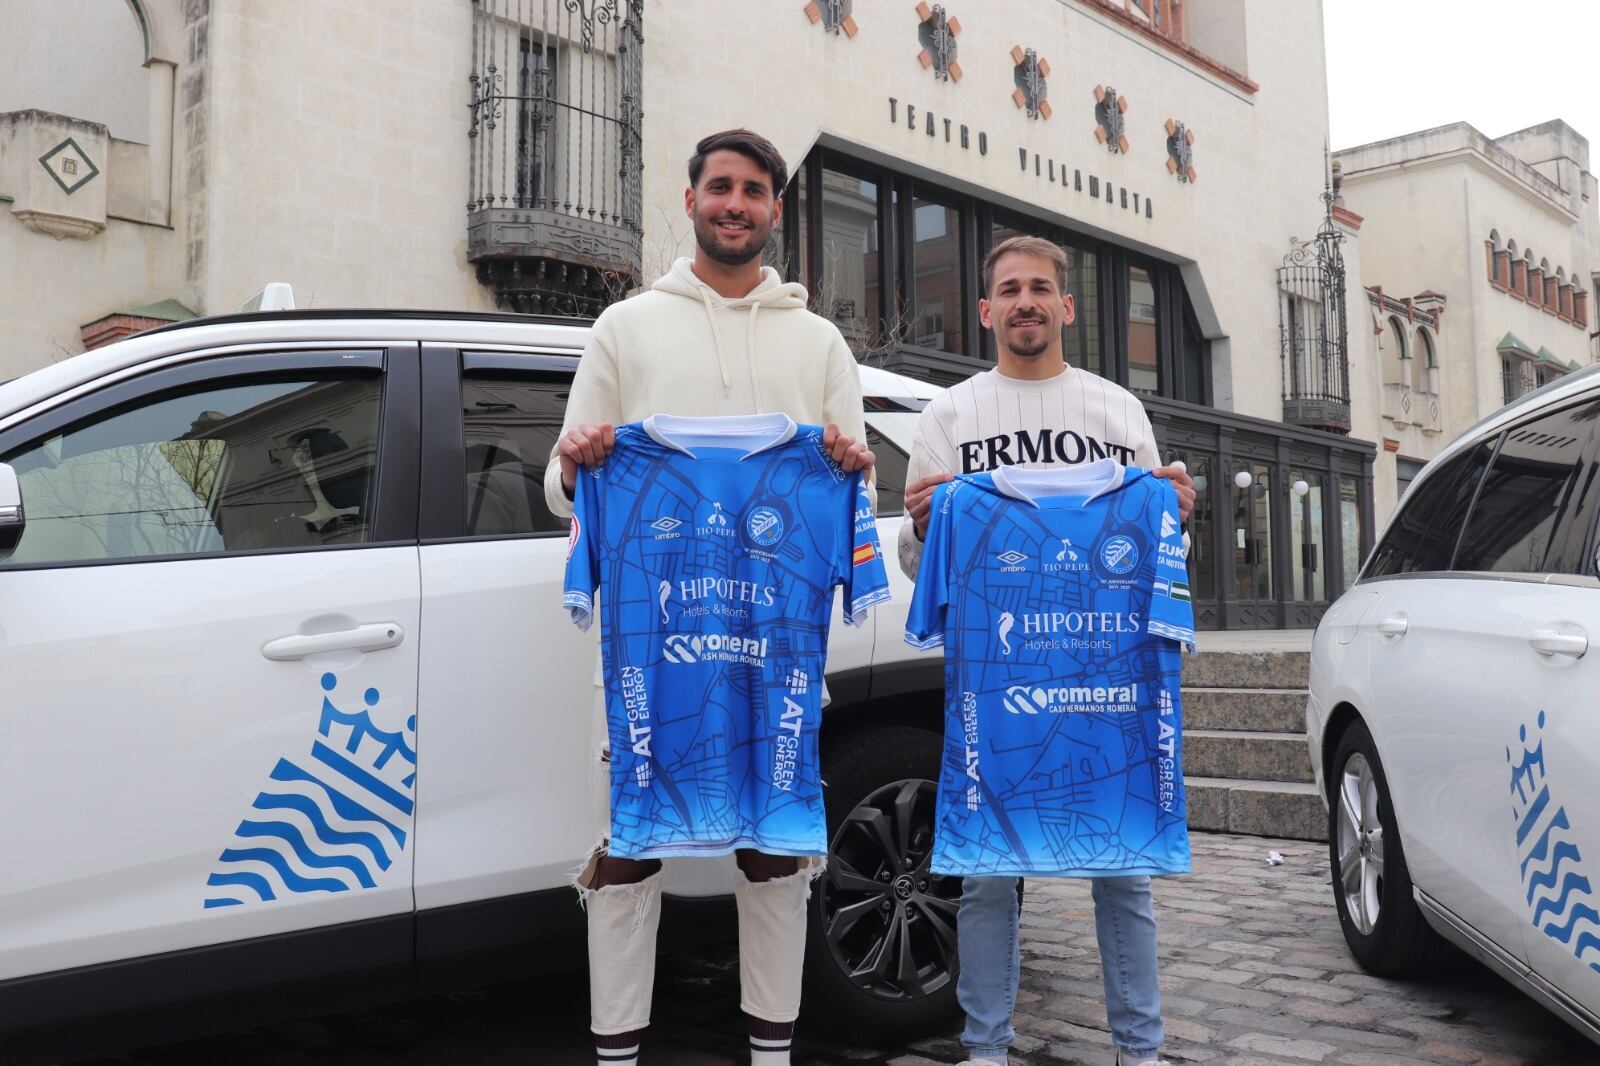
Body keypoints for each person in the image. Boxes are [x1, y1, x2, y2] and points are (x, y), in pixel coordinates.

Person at [545, 128, 876, 1066]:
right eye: (721, 187)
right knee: (630, 842)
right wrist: (578, 466)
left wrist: (852, 469)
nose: (737, 204)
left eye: (756, 191)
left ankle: (771, 1053)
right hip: (655, 644)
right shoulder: (625, 328)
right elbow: (560, 488)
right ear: (690, 201)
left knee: (775, 846)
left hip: (775, 645)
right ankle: (618, 1052)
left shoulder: (819, 342)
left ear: (776, 211)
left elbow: (853, 494)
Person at [897, 235, 1195, 1066]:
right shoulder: (951, 417)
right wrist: (923, 527)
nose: (1025, 302)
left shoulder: (1115, 412)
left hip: (1105, 672)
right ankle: (985, 1047)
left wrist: (1178, 516)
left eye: (1040, 289)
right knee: (987, 873)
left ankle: (1141, 1050)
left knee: (1122, 869)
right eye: (1008, 290)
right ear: (986, 310)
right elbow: (919, 567)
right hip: (995, 678)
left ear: (1066, 307)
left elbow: (1153, 546)